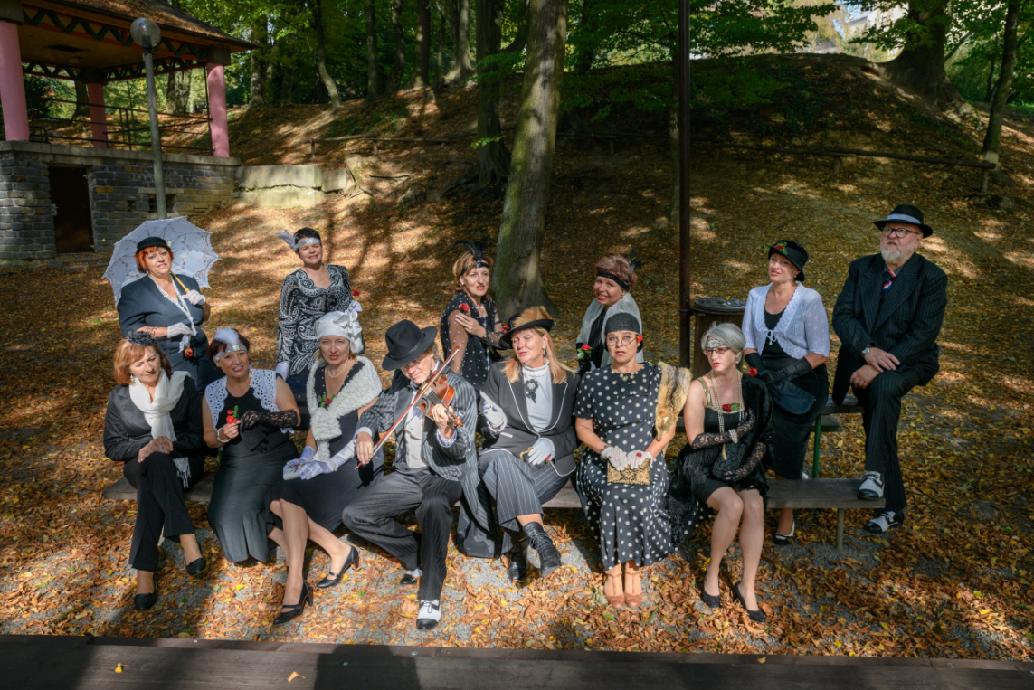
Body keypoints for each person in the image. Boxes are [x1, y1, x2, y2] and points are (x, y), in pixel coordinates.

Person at [342, 319, 483, 631]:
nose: (411, 370)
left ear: (432, 352)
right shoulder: (402, 383)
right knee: (354, 515)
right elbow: (378, 412)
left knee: (433, 505)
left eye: (417, 361)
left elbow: (462, 450)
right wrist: (365, 432)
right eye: (405, 365)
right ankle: (416, 549)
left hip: (444, 473)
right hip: (408, 474)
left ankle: (430, 594)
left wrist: (446, 430)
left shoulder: (458, 388)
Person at [832, 204, 947, 534]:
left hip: (910, 359)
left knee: (881, 388)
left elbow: (923, 333)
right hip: (862, 358)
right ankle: (890, 505)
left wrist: (878, 367)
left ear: (919, 239)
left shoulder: (931, 277)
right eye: (889, 229)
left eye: (902, 231)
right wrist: (868, 353)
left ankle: (875, 475)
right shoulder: (862, 268)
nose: (892, 235)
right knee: (878, 401)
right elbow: (843, 316)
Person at [269, 308, 383, 625]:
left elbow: (366, 428)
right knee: (273, 498)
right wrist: (308, 455)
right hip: (324, 455)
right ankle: (337, 549)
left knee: (288, 496)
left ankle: (294, 584)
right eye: (326, 342)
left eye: (340, 342)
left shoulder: (363, 371)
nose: (333, 349)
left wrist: (329, 463)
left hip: (356, 461)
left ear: (351, 342)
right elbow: (316, 425)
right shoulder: (318, 372)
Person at [574, 313, 675, 609]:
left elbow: (668, 427)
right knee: (614, 492)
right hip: (604, 458)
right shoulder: (594, 380)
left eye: (626, 338)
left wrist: (648, 454)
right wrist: (606, 450)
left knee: (639, 493)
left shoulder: (656, 377)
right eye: (613, 339)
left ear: (638, 341)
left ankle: (632, 570)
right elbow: (583, 428)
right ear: (606, 343)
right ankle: (612, 570)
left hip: (646, 457)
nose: (619, 344)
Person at [102, 335, 207, 611]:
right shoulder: (120, 397)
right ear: (127, 369)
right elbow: (113, 446)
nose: (148, 367)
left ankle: (144, 572)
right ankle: (186, 537)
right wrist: (146, 446)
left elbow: (199, 436)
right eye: (139, 364)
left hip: (183, 460)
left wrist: (170, 444)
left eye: (152, 359)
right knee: (155, 461)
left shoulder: (183, 384)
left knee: (156, 470)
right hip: (140, 462)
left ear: (161, 357)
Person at [676, 324, 772, 623]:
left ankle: (748, 585)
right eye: (710, 350)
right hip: (702, 462)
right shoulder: (699, 387)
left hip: (742, 460)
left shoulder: (754, 388)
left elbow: (763, 437)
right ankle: (713, 571)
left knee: (754, 505)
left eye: (721, 350)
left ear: (737, 354)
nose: (714, 356)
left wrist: (747, 467)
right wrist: (734, 434)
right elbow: (695, 439)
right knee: (733, 505)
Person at [477, 307, 580, 581]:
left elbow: (579, 431)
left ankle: (518, 547)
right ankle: (540, 539)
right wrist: (490, 422)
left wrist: (554, 444)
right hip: (504, 452)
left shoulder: (570, 380)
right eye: (515, 340)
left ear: (544, 340)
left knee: (509, 488)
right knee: (502, 464)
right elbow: (483, 419)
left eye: (527, 338)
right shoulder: (499, 373)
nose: (519, 345)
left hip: (550, 463)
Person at [742, 240, 829, 544]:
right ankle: (749, 501)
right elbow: (748, 343)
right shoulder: (755, 295)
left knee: (786, 436)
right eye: (773, 260)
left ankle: (787, 512)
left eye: (784, 263)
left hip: (803, 380)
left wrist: (784, 375)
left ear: (796, 271)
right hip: (764, 377)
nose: (775, 266)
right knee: (744, 425)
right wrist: (760, 370)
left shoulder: (809, 299)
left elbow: (820, 352)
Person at [202, 328, 299, 565]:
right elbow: (209, 439)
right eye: (228, 357)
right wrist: (222, 434)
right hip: (235, 463)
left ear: (248, 355)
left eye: (241, 354)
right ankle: (274, 536)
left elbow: (294, 418)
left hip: (273, 456)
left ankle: (286, 544)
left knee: (247, 505)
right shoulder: (212, 392)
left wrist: (263, 416)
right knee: (218, 513)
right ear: (218, 363)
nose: (237, 361)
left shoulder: (270, 380)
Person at [117, 236, 217, 387]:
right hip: (169, 359)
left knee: (211, 395)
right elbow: (129, 330)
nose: (160, 259)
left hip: (203, 354)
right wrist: (167, 331)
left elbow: (203, 317)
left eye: (163, 253)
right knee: (184, 399)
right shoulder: (133, 291)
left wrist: (203, 304)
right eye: (152, 257)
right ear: (144, 263)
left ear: (170, 255)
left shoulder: (187, 281)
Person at [275, 228, 357, 380]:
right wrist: (283, 360)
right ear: (298, 253)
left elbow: (349, 310)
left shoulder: (340, 273)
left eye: (315, 246)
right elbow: (286, 323)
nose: (312, 251)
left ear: (321, 247)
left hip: (339, 351)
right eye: (305, 248)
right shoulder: (293, 281)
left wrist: (355, 341)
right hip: (306, 355)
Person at [439, 241, 505, 389]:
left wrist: (480, 331)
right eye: (473, 275)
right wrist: (457, 392)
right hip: (470, 385)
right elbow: (456, 362)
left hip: (493, 377)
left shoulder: (488, 303)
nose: (481, 281)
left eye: (485, 274)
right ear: (462, 280)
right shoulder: (461, 309)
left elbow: (502, 342)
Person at [576, 254, 643, 373]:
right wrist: (584, 364)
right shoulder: (596, 306)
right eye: (599, 281)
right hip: (593, 373)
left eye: (609, 284)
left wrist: (596, 378)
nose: (601, 288)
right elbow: (583, 341)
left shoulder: (624, 316)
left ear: (623, 290)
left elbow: (622, 362)